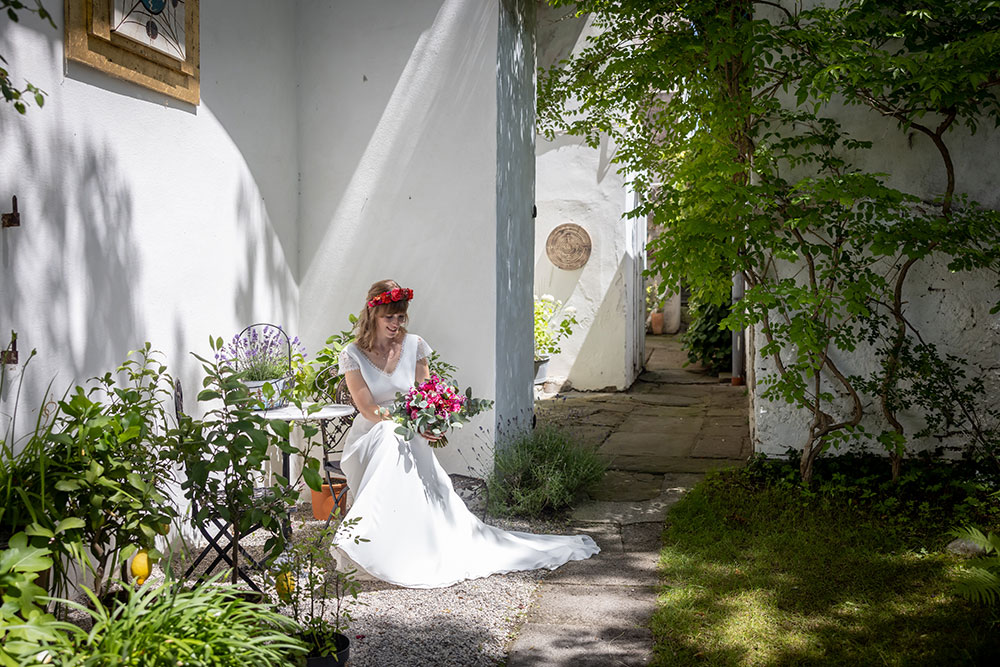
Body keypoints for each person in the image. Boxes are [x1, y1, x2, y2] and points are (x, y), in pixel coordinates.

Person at [334, 279, 599, 588]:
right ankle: (372, 542)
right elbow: (367, 409)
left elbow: (425, 393)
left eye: (400, 316)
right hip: (372, 435)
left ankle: (395, 544)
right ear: (373, 313)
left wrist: (428, 422)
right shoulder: (353, 354)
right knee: (390, 435)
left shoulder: (414, 345)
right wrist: (405, 424)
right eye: (388, 317)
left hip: (407, 433)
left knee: (398, 438)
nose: (395, 323)